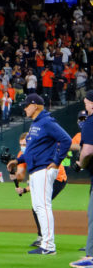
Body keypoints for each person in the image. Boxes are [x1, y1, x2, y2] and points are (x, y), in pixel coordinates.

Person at [15, 93, 72, 255]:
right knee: (38, 207)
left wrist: (56, 160)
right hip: (36, 170)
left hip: (44, 169)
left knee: (43, 207)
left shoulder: (46, 121)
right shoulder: (35, 124)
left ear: (36, 106)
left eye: (27, 105)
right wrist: (17, 160)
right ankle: (45, 243)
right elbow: (32, 151)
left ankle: (48, 246)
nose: (25, 108)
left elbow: (66, 139)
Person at [72, 91, 93, 268]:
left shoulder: (90, 122)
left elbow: (87, 152)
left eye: (87, 103)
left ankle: (91, 257)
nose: (85, 106)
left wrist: (81, 164)